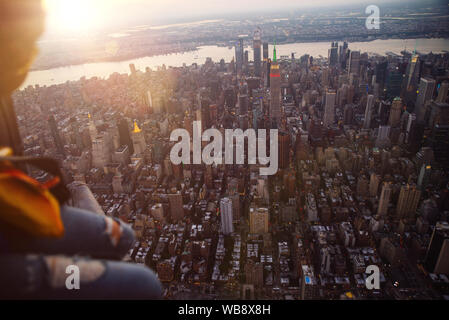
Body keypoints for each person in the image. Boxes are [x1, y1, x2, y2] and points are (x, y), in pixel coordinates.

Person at [0, 0, 162, 299]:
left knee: (122, 235)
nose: (31, 52)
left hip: (16, 214)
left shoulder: (3, 94)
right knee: (144, 285)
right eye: (24, 40)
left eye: (35, 39)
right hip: (8, 251)